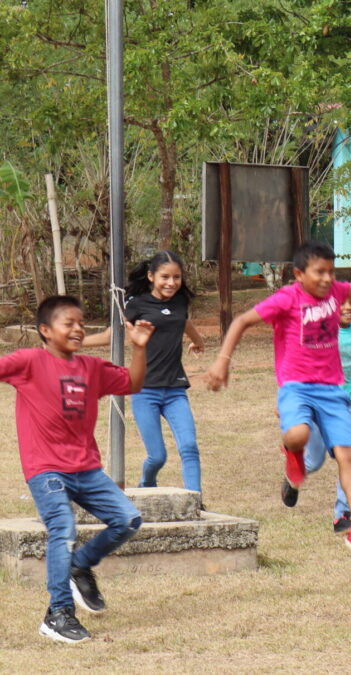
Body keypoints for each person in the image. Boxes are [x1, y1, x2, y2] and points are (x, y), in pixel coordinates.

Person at [207, 242, 351, 563]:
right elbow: (241, 322)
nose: (328, 278)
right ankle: (292, 452)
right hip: (297, 388)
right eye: (320, 272)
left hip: (333, 390)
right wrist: (222, 361)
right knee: (299, 435)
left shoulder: (335, 294)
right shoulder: (287, 298)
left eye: (331, 271)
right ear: (300, 274)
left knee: (348, 456)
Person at [0, 296, 154, 643]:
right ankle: (58, 614)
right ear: (45, 330)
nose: (78, 329)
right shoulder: (29, 361)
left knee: (128, 519)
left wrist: (139, 348)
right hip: (46, 468)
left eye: (81, 323)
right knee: (63, 528)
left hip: (86, 468)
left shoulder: (92, 368)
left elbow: (134, 383)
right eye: (68, 323)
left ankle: (80, 565)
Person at [84, 251, 206, 493]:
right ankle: (147, 483)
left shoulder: (180, 302)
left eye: (177, 277)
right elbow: (111, 335)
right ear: (151, 276)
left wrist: (198, 340)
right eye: (165, 277)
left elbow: (184, 321)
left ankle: (196, 501)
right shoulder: (137, 304)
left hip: (175, 389)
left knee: (190, 447)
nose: (171, 283)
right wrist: (71, 344)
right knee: (157, 456)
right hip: (144, 390)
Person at [301, 298, 351, 532]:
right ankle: (293, 470)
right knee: (314, 461)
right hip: (319, 402)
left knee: (348, 457)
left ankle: (342, 514)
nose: (349, 307)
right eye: (343, 303)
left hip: (345, 404)